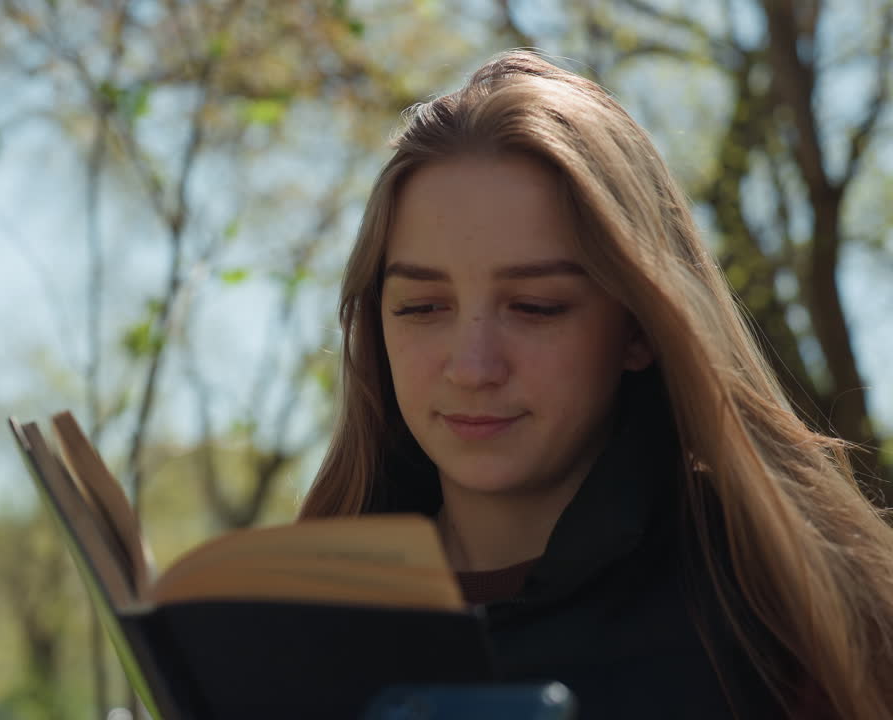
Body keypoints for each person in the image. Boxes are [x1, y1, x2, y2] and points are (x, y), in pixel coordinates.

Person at [299, 50, 893, 719]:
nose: (472, 366)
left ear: (638, 328)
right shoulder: (290, 625)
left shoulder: (795, 621)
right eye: (421, 308)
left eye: (537, 307)